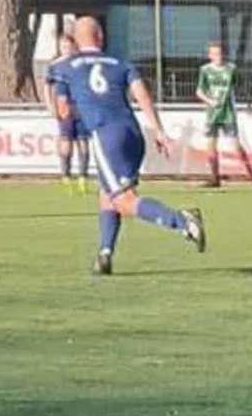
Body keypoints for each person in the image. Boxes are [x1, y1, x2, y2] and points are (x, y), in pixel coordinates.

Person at [53, 15, 207, 277]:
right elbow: (141, 93)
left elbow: (63, 109)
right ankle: (105, 254)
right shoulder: (120, 63)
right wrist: (158, 130)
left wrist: (83, 110)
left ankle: (182, 221)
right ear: (101, 37)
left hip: (105, 136)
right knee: (107, 195)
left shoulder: (66, 67)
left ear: (77, 40)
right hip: (132, 133)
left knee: (124, 201)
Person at [198, 41, 252, 190]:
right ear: (209, 55)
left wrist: (248, 103)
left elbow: (239, 86)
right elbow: (199, 92)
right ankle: (214, 178)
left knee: (236, 146)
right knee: (210, 146)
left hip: (228, 114)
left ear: (223, 54)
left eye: (219, 53)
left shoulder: (231, 69)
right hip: (212, 115)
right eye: (214, 54)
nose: (217, 56)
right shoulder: (205, 70)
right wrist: (210, 101)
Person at [46, 31, 92, 189]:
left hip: (81, 104)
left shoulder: (82, 63)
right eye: (62, 46)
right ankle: (66, 174)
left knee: (83, 139)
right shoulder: (55, 65)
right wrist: (50, 105)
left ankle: (83, 176)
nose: (65, 48)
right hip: (63, 104)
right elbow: (48, 86)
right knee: (65, 138)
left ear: (74, 46)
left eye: (68, 45)